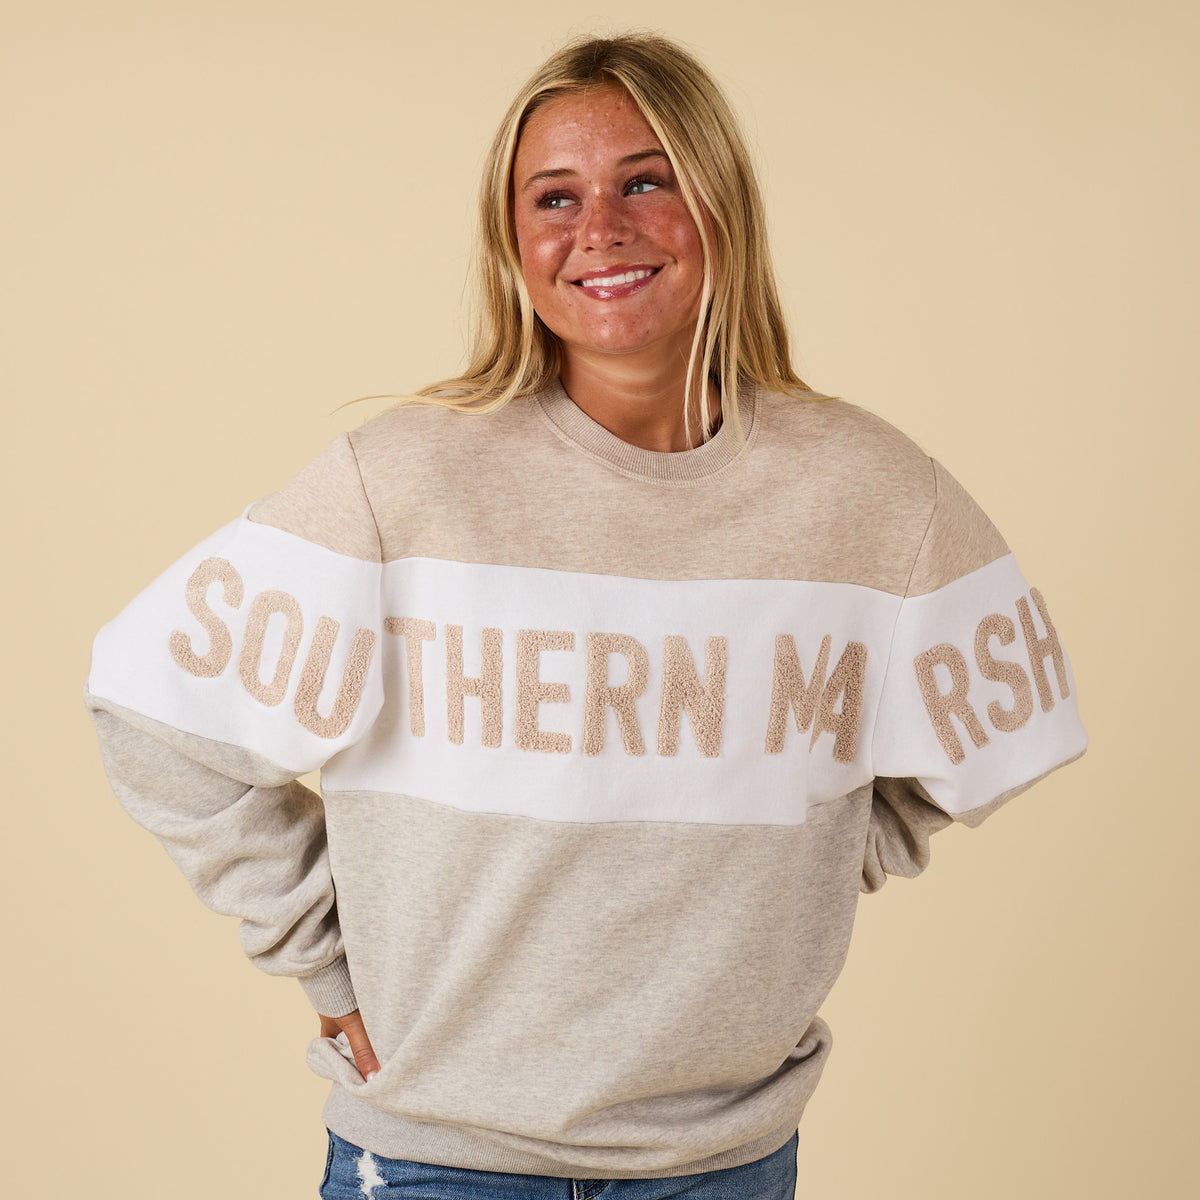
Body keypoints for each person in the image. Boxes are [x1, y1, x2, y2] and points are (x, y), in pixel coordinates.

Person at [85, 31, 1087, 1200]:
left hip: (722, 1163)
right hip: (435, 1162)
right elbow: (152, 711)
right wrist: (325, 962)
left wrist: (813, 850)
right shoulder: (403, 483)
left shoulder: (872, 498)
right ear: (512, 243)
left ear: (719, 203)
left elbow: (992, 741)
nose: (598, 228)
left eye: (644, 181)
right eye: (553, 197)